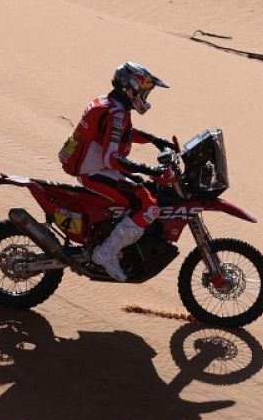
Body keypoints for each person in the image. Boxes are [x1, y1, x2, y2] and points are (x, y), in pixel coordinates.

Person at [60, 62, 177, 281]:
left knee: (141, 189)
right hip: (95, 172)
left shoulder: (110, 104)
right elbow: (111, 158)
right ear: (130, 87)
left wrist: (155, 141)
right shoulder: (117, 113)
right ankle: (106, 254)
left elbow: (123, 133)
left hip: (94, 168)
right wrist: (150, 169)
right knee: (150, 207)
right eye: (144, 91)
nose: (146, 96)